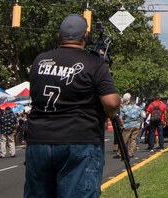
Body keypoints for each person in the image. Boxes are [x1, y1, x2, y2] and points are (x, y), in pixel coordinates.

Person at [23, 14, 120, 198]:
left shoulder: (39, 61)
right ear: (85, 37)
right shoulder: (94, 64)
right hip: (79, 140)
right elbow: (111, 102)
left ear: (59, 36)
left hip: (39, 140)